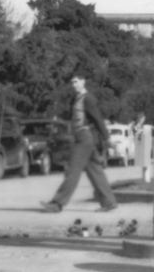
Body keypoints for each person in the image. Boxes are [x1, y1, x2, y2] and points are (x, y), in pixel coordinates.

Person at [41, 72, 118, 213]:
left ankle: (57, 204)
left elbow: (98, 119)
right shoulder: (76, 99)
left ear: (83, 82)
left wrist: (107, 138)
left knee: (72, 170)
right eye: (72, 82)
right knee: (95, 171)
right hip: (80, 137)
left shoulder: (88, 99)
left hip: (84, 138)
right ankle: (109, 202)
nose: (73, 84)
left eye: (76, 81)